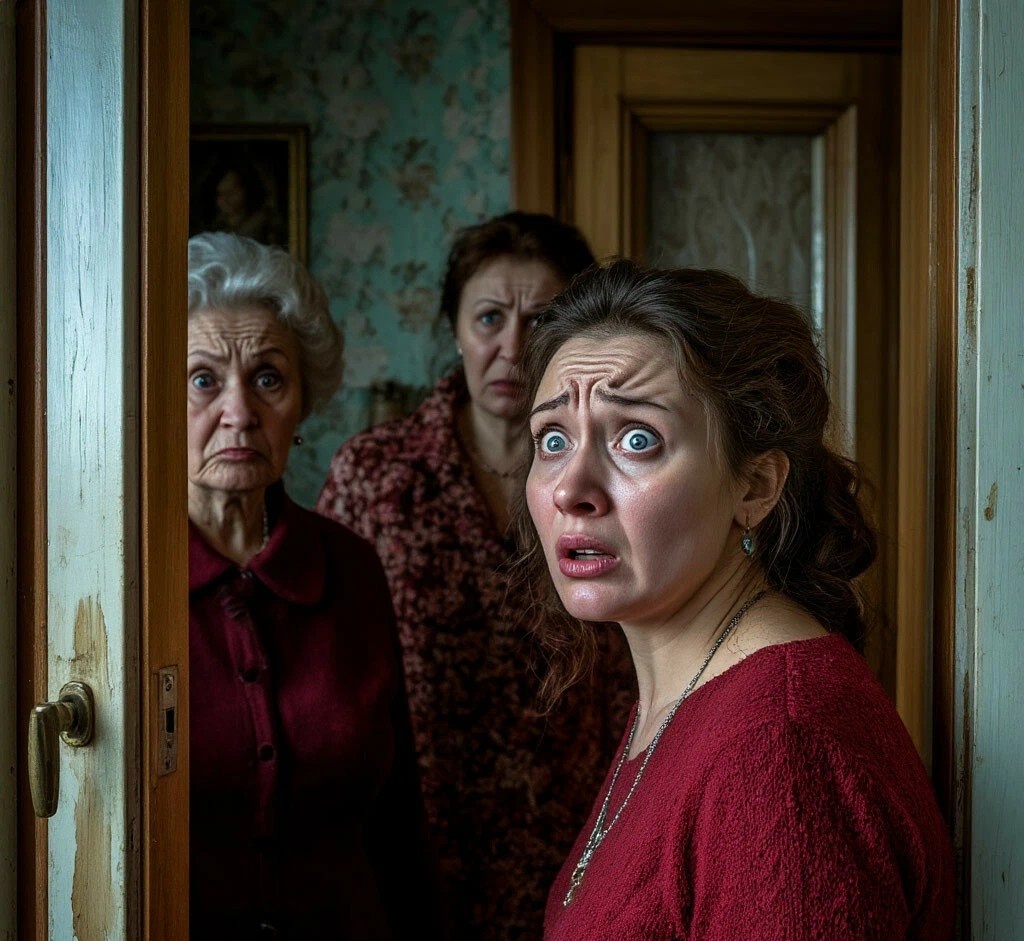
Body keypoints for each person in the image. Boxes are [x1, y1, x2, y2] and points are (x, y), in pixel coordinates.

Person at [516, 260, 955, 940]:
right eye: (553, 439)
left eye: (637, 439)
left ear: (754, 486)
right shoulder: (690, 691)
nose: (572, 488)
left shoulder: (778, 746)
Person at [317, 212, 633, 940]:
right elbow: (329, 672)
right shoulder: (375, 473)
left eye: (540, 320)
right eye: (489, 318)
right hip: (413, 843)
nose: (512, 348)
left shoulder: (611, 478)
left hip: (579, 836)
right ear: (456, 329)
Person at [187, 231, 437, 940]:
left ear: (302, 402)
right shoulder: (116, 581)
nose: (239, 411)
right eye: (203, 379)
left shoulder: (351, 568)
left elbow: (398, 817)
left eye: (268, 378)